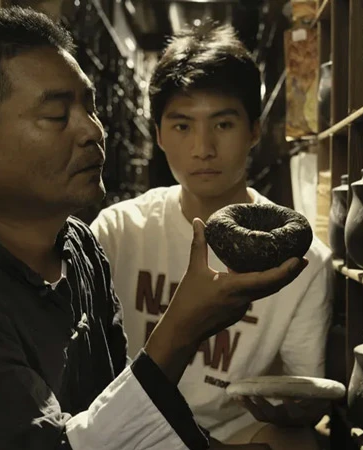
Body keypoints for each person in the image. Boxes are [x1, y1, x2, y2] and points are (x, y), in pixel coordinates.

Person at [0, 8, 306, 450]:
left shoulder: (78, 246)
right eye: (58, 115)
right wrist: (181, 330)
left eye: (90, 106)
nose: (92, 130)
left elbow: (115, 415)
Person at [90, 23, 333, 448]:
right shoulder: (116, 232)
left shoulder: (305, 260)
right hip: (130, 433)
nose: (203, 148)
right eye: (183, 126)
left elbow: (299, 403)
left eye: (223, 124)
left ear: (254, 130)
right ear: (160, 135)